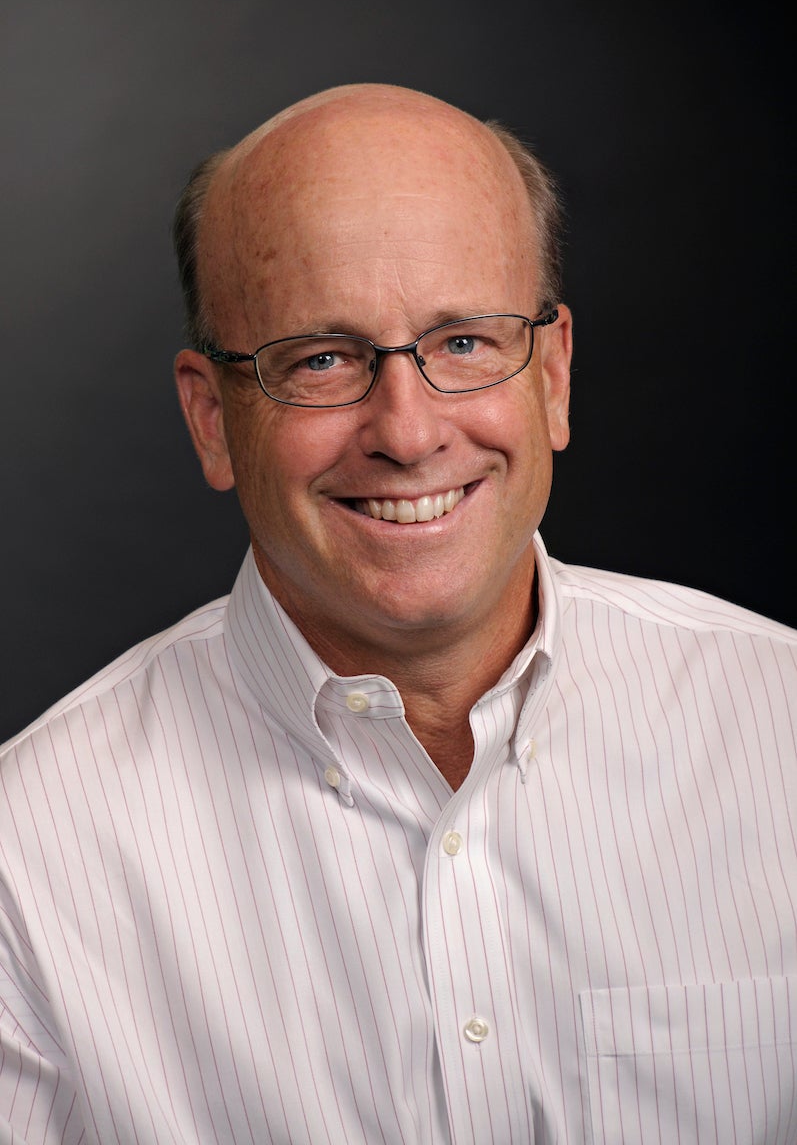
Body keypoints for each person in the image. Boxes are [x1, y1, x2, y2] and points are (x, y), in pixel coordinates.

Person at [0, 83, 795, 1145]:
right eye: (320, 358)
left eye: (464, 340)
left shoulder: (776, 725)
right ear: (210, 417)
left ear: (551, 376)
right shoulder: (26, 862)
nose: (407, 432)